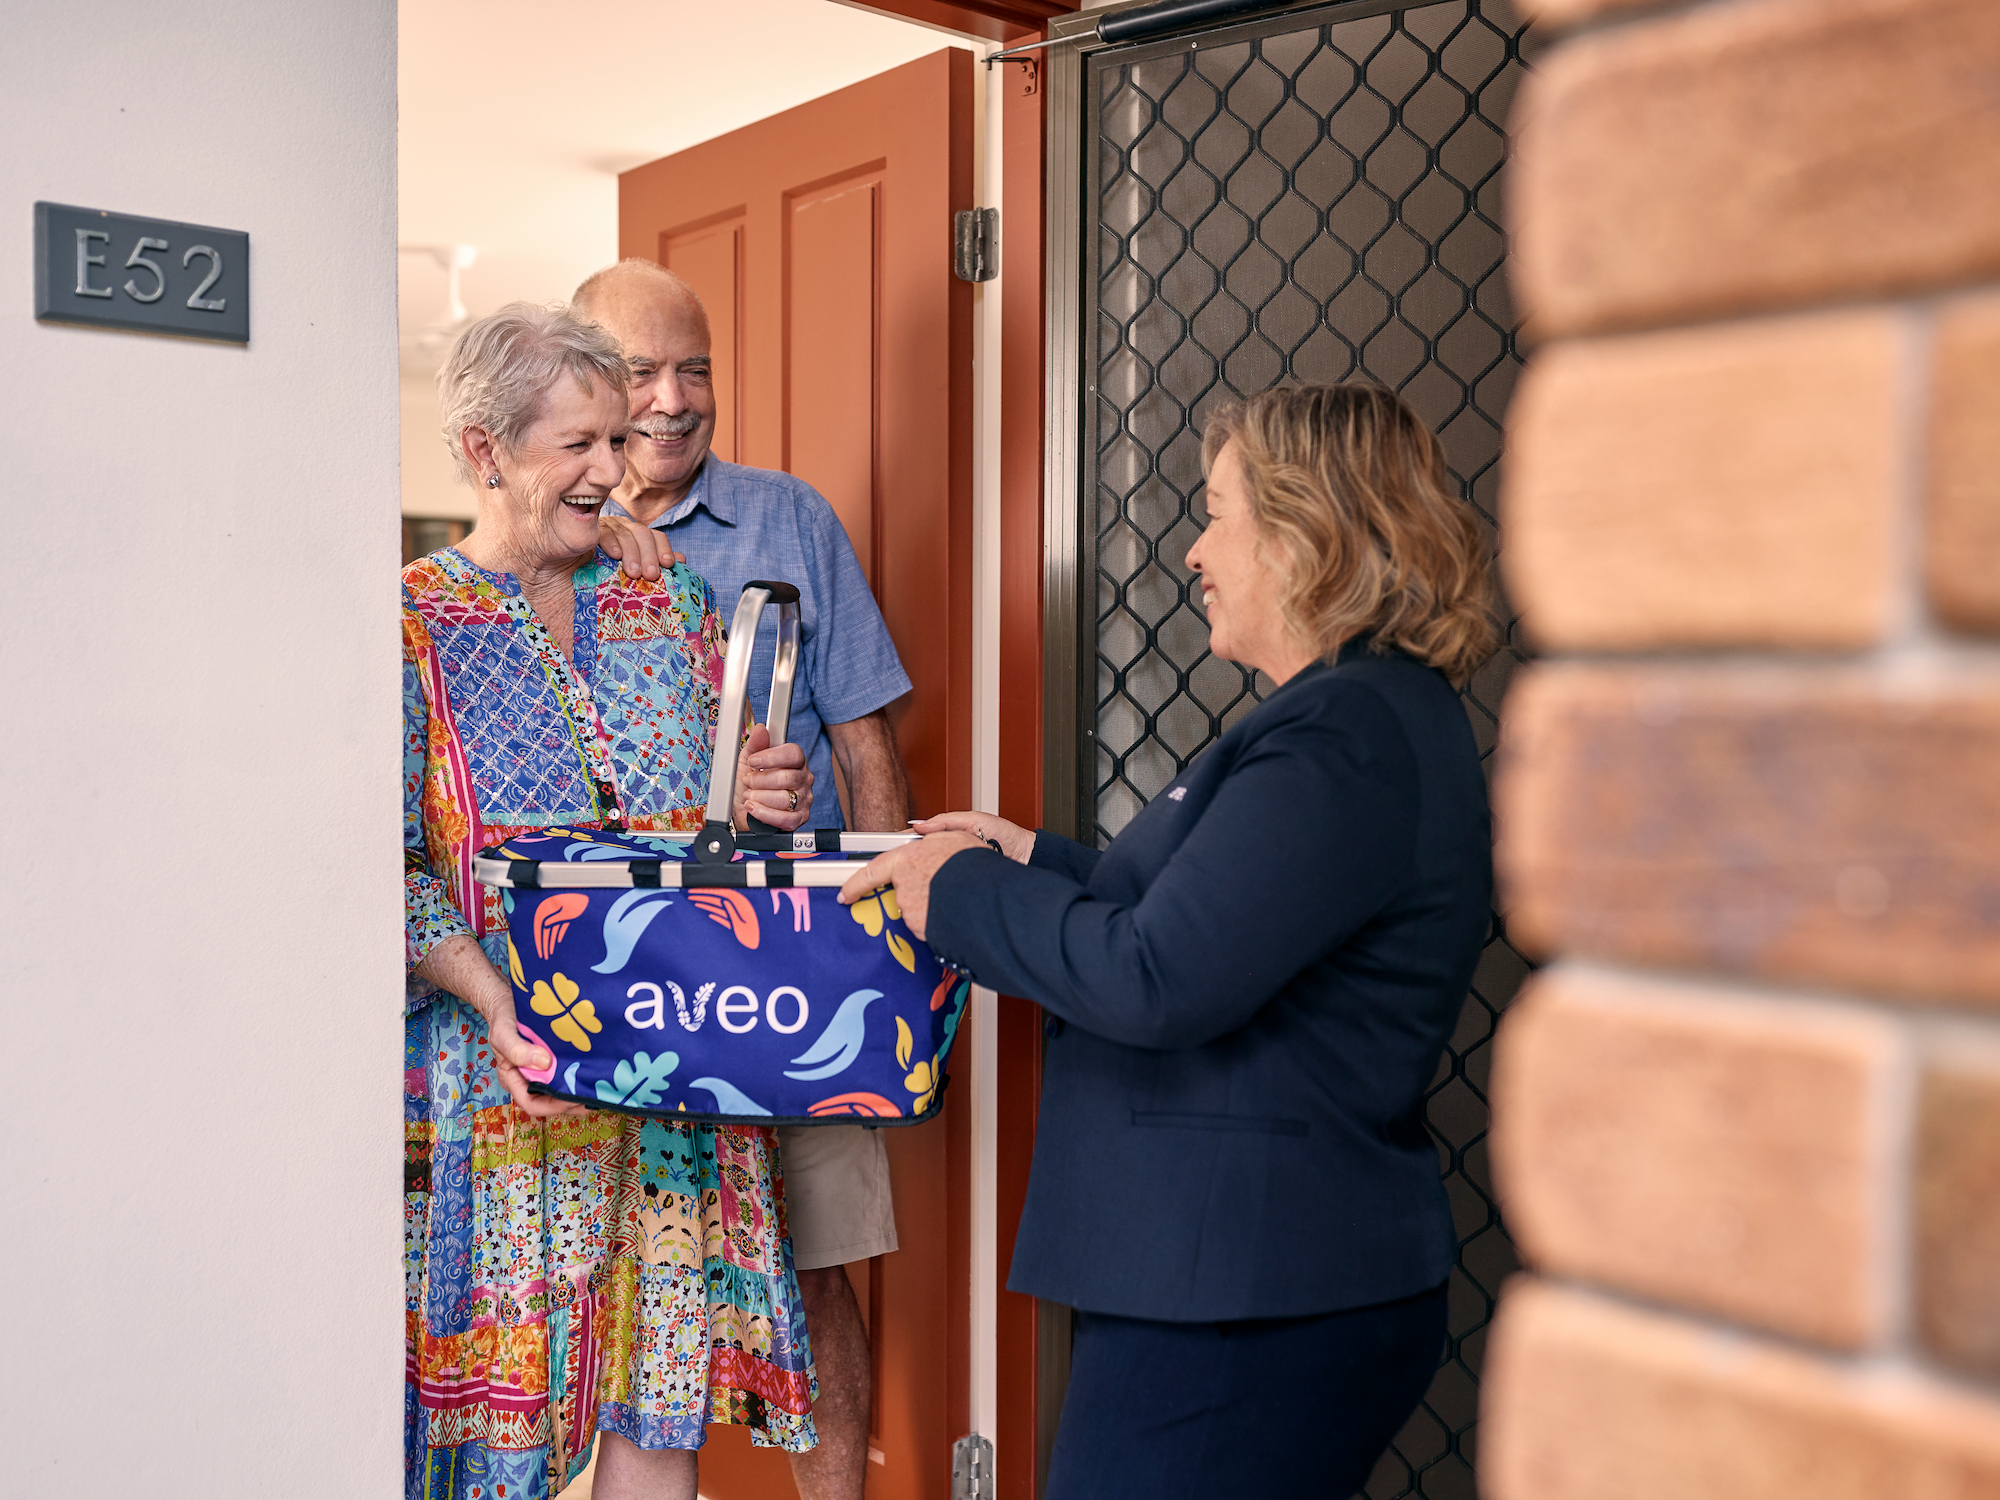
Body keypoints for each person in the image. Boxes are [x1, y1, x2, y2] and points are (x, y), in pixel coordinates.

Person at [839, 384, 1498, 1499]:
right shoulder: (1352, 719)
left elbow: (1159, 978)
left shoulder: (1340, 734)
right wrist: (1030, 860)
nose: (1194, 552)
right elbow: (1220, 928)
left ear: (1301, 534)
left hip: (1242, 1294)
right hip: (1237, 1280)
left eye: (1216, 513)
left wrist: (954, 897)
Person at [404, 302, 820, 1500]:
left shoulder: (666, 600)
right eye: (577, 444)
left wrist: (758, 795)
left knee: (661, 1398)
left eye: (615, 441)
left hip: (673, 1077)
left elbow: (716, 820)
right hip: (509, 1093)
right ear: (484, 452)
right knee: (502, 1433)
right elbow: (389, 867)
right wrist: (490, 1001)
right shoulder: (410, 623)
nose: (614, 468)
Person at [573, 258, 913, 1500]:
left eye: (694, 367)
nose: (670, 399)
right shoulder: (553, 543)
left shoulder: (791, 522)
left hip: (796, 979)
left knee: (815, 1268)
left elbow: (867, 745)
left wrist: (885, 956)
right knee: (630, 1273)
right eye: (636, 370)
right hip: (629, 989)